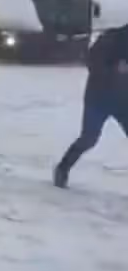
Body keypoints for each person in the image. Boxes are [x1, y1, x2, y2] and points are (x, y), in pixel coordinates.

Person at [53, 24, 128, 188]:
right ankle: (63, 168)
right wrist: (115, 68)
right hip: (99, 98)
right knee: (89, 138)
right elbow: (92, 60)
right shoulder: (112, 38)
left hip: (124, 102)